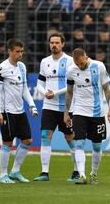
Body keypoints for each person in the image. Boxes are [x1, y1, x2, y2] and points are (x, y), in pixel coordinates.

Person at [64, 48, 110, 185]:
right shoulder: (71, 70)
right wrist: (66, 112)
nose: (79, 66)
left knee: (97, 146)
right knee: (79, 143)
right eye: (77, 64)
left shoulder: (99, 67)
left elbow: (107, 90)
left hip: (97, 113)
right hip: (79, 112)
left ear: (86, 57)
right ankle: (81, 175)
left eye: (81, 63)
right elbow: (69, 92)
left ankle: (94, 173)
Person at [33, 33, 79, 182]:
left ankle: (77, 171)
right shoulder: (44, 62)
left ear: (62, 44)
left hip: (67, 107)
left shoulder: (70, 62)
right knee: (45, 136)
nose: (54, 45)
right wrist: (44, 92)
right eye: (52, 42)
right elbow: (39, 83)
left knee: (70, 137)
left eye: (57, 43)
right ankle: (44, 173)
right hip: (49, 107)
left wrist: (56, 93)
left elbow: (72, 84)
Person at [0, 38, 38, 184]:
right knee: (7, 142)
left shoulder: (22, 67)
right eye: (17, 52)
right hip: (7, 111)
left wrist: (32, 105)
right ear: (10, 51)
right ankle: (3, 174)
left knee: (27, 140)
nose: (20, 54)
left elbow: (24, 89)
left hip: (20, 111)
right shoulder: (1, 68)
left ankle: (15, 171)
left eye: (21, 51)